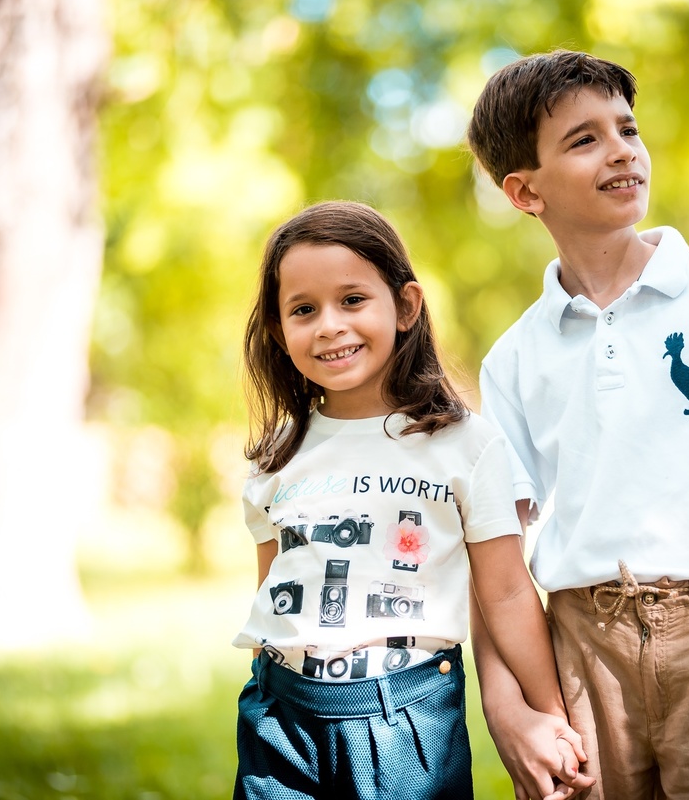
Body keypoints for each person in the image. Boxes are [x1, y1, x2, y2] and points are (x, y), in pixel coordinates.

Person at [465, 50, 689, 799]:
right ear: (524, 191)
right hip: (583, 651)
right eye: (585, 139)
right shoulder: (513, 359)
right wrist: (508, 707)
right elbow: (495, 557)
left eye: (628, 128)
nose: (622, 149)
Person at [230, 200, 588, 800]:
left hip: (405, 718)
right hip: (280, 715)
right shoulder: (276, 457)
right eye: (303, 309)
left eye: (352, 300)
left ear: (405, 306)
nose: (329, 325)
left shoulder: (464, 443)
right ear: (278, 330)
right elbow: (275, 592)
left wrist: (550, 712)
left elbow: (504, 590)